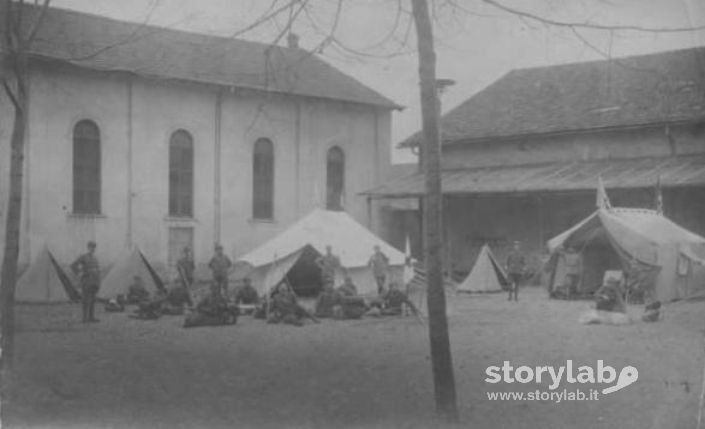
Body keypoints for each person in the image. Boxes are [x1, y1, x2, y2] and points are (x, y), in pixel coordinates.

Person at [71, 241, 101, 323]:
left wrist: (98, 281)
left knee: (92, 300)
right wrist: (79, 273)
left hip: (94, 282)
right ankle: (84, 318)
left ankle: (91, 317)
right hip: (86, 281)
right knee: (85, 300)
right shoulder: (83, 257)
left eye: (94, 247)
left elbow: (97, 270)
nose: (93, 249)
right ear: (88, 248)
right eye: (91, 247)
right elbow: (73, 265)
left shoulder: (95, 259)